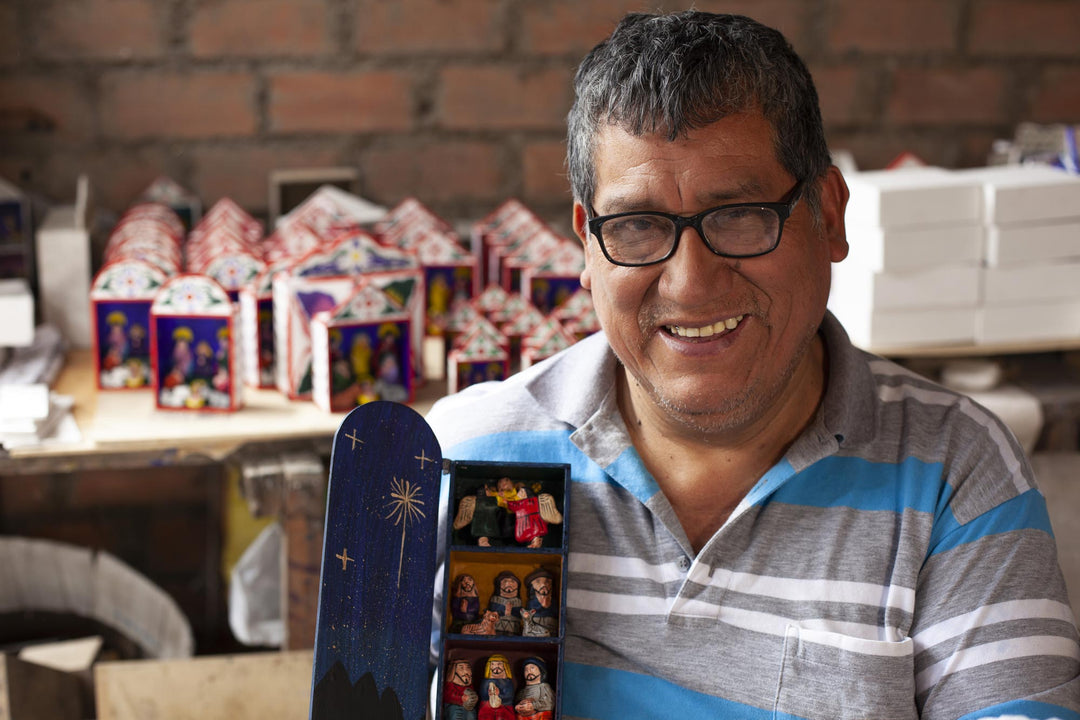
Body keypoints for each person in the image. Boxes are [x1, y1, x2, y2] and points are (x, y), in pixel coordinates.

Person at [427, 10, 1080, 719]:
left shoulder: (955, 472)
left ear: (828, 216)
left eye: (738, 213)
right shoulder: (466, 456)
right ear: (588, 244)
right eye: (638, 226)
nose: (690, 282)